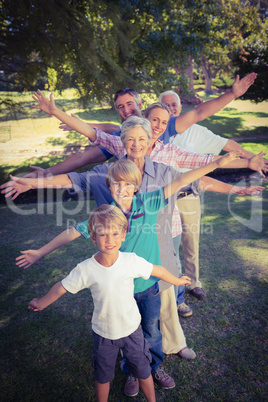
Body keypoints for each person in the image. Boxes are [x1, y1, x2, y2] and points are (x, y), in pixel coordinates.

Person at [2, 117, 260, 396]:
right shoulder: (107, 215)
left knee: (151, 330)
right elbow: (73, 229)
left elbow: (185, 178)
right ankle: (133, 371)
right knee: (128, 331)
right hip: (121, 287)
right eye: (116, 186)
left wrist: (218, 164)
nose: (122, 191)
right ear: (109, 185)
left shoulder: (149, 201)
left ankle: (152, 366)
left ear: (137, 186)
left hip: (148, 285)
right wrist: (39, 250)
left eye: (128, 186)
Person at [25, 91, 266, 319]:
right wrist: (55, 114)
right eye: (154, 121)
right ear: (145, 120)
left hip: (163, 223)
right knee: (134, 278)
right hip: (125, 230)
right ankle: (135, 319)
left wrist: (243, 167)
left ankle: (174, 305)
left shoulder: (169, 155)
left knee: (166, 271)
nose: (158, 127)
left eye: (163, 123)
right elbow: (94, 135)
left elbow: (199, 168)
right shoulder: (124, 147)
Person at [28, 203, 192, 402]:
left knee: (143, 370)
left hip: (132, 331)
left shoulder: (131, 260)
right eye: (103, 235)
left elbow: (158, 270)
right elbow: (61, 287)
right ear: (93, 237)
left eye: (115, 234)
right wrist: (42, 302)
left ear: (123, 235)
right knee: (102, 375)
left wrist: (177, 280)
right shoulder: (86, 269)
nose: (109, 240)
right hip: (104, 333)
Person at [23, 73, 257, 179]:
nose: (126, 111)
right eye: (120, 107)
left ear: (141, 105)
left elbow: (199, 113)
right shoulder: (120, 139)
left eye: (130, 104)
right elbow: (83, 156)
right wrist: (48, 173)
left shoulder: (164, 125)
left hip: (171, 194)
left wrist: (232, 94)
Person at [158, 89, 267, 304]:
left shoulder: (196, 131)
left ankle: (193, 282)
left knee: (191, 240)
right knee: (166, 243)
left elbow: (227, 146)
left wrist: (250, 158)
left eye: (173, 105)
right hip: (162, 199)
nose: (171, 108)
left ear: (180, 108)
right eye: (166, 105)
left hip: (188, 194)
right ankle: (170, 286)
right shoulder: (156, 132)